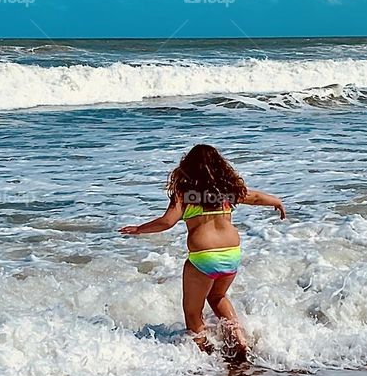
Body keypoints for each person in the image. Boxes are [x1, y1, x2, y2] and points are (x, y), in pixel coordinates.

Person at [119, 144, 286, 357]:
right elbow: (254, 198)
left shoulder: (184, 194)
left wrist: (139, 229)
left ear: (188, 167)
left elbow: (167, 222)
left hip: (204, 258)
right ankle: (238, 341)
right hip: (231, 255)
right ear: (219, 167)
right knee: (217, 296)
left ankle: (203, 357)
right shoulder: (226, 192)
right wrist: (277, 201)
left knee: (192, 311)